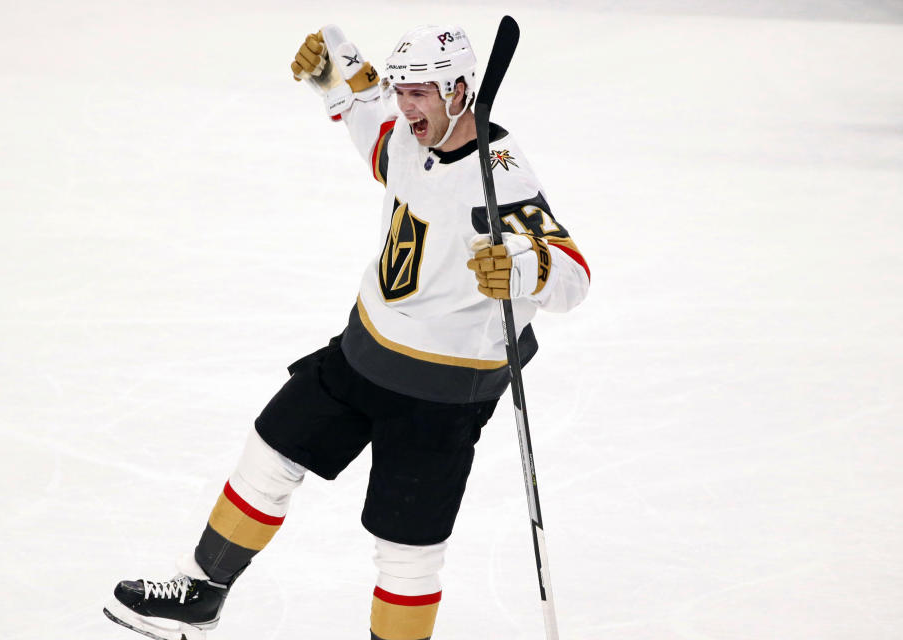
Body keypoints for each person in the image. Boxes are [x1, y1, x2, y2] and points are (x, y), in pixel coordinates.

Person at [103, 23, 590, 640]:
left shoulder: (503, 177)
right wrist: (335, 77)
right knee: (269, 451)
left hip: (440, 395)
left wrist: (524, 267)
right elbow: (377, 139)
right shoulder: (417, 140)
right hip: (361, 356)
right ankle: (203, 589)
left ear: (462, 91)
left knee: (407, 548)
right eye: (401, 89)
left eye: (420, 93)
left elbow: (572, 273)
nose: (405, 104)